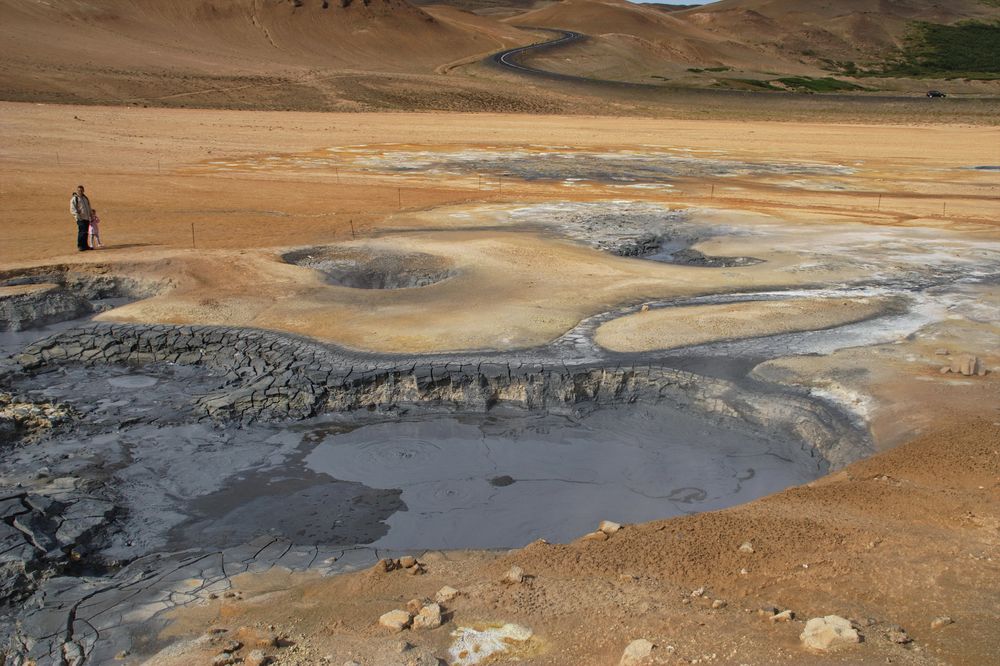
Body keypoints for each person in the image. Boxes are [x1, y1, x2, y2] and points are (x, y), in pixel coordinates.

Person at [70, 185, 93, 251]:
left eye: (82, 190)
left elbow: (89, 207)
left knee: (85, 232)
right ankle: (80, 246)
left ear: (83, 190)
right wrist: (77, 216)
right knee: (81, 232)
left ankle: (85, 246)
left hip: (86, 218)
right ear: (77, 191)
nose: (80, 191)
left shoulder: (85, 198)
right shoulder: (75, 199)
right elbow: (72, 209)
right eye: (79, 190)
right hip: (80, 218)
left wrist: (91, 215)